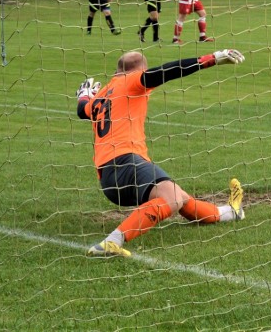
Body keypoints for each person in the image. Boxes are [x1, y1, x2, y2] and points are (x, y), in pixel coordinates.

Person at [77, 49, 247, 257]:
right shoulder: (131, 81)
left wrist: (84, 96)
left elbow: (82, 110)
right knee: (172, 196)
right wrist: (211, 59)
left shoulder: (101, 95)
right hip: (125, 162)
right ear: (140, 70)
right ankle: (113, 241)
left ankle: (231, 212)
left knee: (181, 197)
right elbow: (166, 71)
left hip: (108, 179)